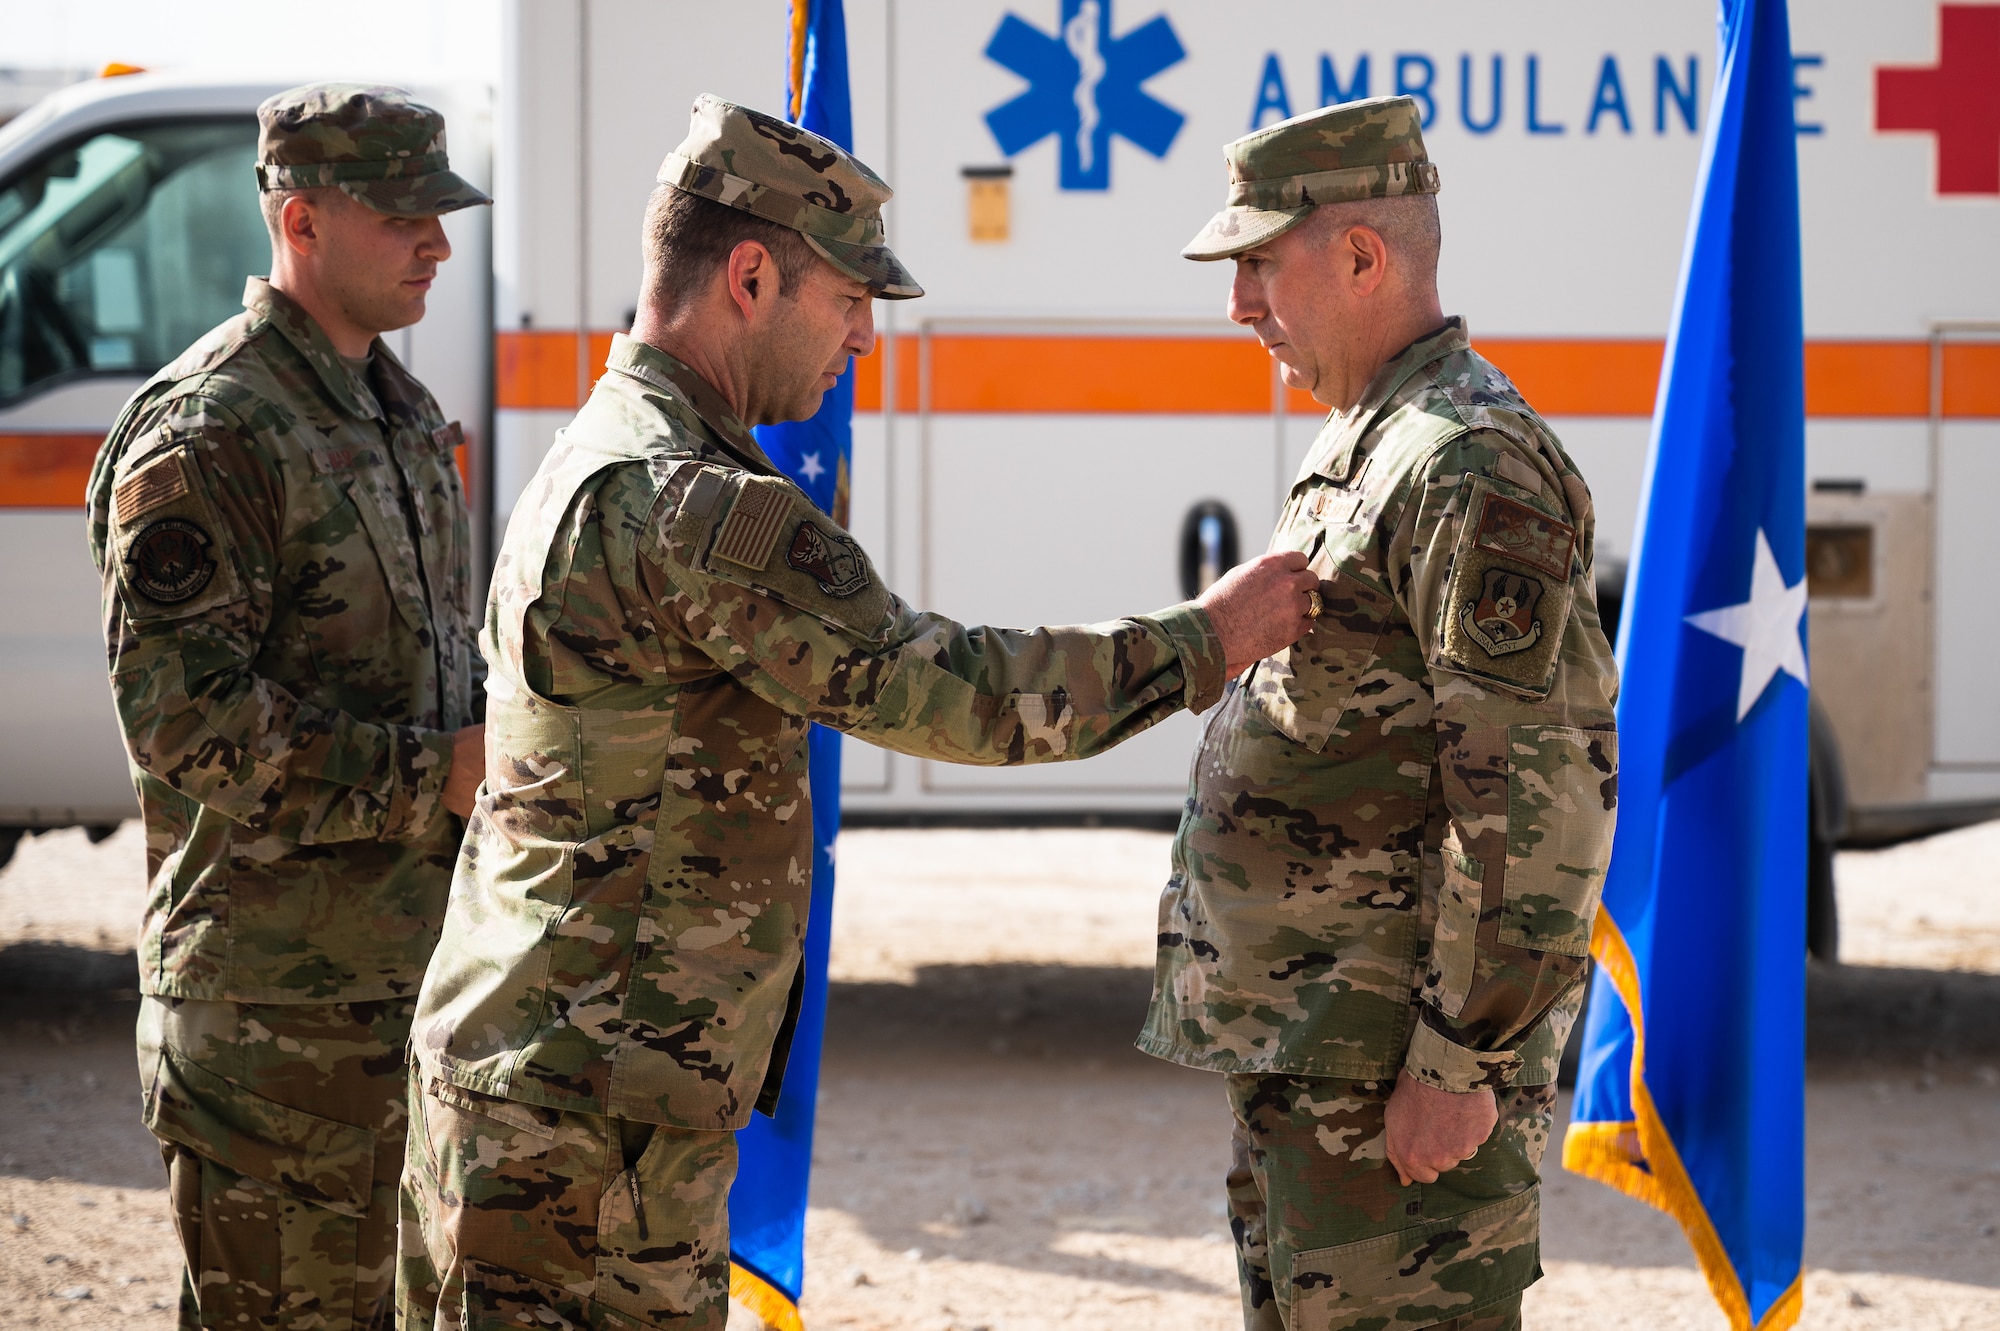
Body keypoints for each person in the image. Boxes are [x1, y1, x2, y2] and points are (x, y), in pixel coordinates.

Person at [396, 94, 1319, 1331]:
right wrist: (1208, 638)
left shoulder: (599, 446)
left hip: (545, 1082)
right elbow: (962, 696)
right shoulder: (698, 506)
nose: (863, 343)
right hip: (582, 1119)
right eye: (849, 302)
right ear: (750, 273)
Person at [1139, 95, 1621, 1331]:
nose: (1238, 304)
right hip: (1318, 1051)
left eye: (1257, 263)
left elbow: (1527, 794)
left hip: (1386, 1070)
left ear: (1359, 255)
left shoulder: (1466, 459)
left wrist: (1460, 1062)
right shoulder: (1378, 440)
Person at [84, 83, 490, 1331]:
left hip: (401, 992)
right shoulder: (213, 429)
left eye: (442, 212)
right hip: (272, 1025)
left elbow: (437, 669)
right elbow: (185, 719)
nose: (437, 242)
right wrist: (440, 778)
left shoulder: (399, 411)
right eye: (404, 215)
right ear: (301, 219)